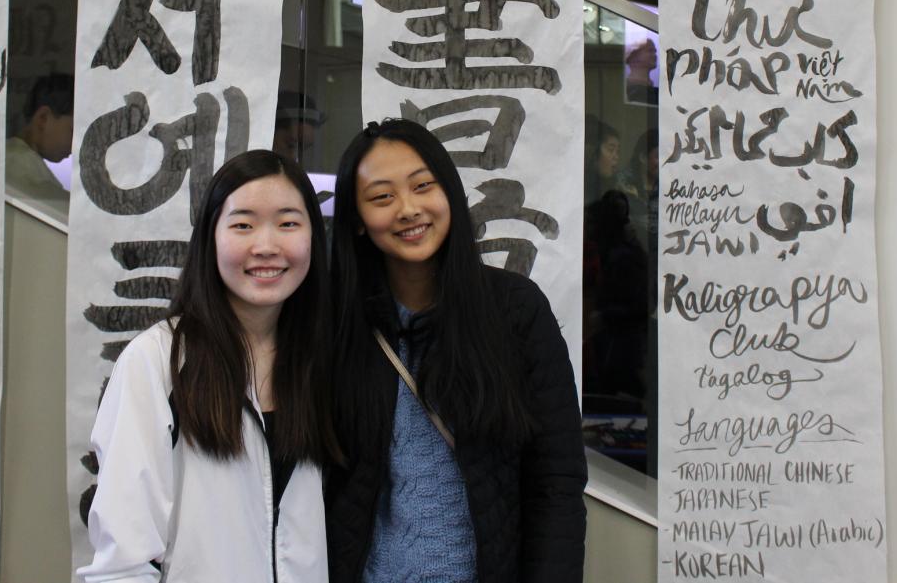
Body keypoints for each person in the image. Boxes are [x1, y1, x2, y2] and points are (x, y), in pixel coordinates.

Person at [325, 119, 587, 583]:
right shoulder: (342, 325)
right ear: (359, 222)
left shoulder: (515, 312)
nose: (408, 209)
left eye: (423, 186)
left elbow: (557, 483)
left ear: (449, 192)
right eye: (382, 197)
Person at [79, 151, 338, 583]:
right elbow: (122, 562)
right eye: (243, 224)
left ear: (314, 236)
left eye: (289, 223)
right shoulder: (157, 361)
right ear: (210, 239)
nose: (266, 245)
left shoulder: (319, 360)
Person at [6, 73, 73, 211]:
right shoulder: (20, 164)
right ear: (43, 118)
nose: (75, 145)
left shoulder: (14, 156)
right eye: (72, 130)